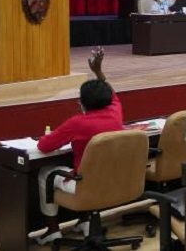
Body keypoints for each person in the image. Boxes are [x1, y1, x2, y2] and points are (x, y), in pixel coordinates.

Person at [35, 48, 123, 244]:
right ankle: (85, 221)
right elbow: (112, 94)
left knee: (46, 173)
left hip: (87, 186)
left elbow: (43, 146)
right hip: (115, 182)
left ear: (81, 102)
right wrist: (98, 72)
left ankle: (52, 230)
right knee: (85, 170)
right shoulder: (116, 113)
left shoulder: (77, 123)